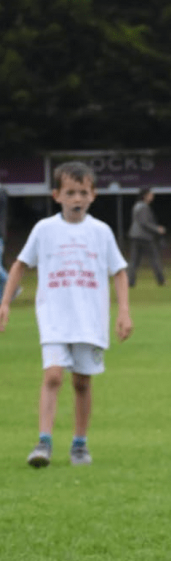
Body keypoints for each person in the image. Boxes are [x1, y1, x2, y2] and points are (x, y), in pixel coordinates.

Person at [0, 161, 133, 467]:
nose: (77, 199)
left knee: (82, 383)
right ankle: (43, 442)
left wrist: (123, 311)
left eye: (82, 192)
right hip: (54, 318)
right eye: (70, 192)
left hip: (90, 320)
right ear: (56, 195)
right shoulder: (44, 229)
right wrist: (5, 302)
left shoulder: (101, 231)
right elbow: (20, 265)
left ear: (93, 195)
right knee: (53, 375)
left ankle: (79, 444)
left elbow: (120, 271)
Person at [127, 186, 167, 286]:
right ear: (145, 196)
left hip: (134, 235)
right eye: (150, 194)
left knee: (134, 260)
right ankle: (161, 280)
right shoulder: (144, 207)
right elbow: (145, 223)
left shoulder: (136, 206)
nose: (152, 196)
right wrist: (157, 229)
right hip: (144, 237)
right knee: (154, 258)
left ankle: (130, 281)